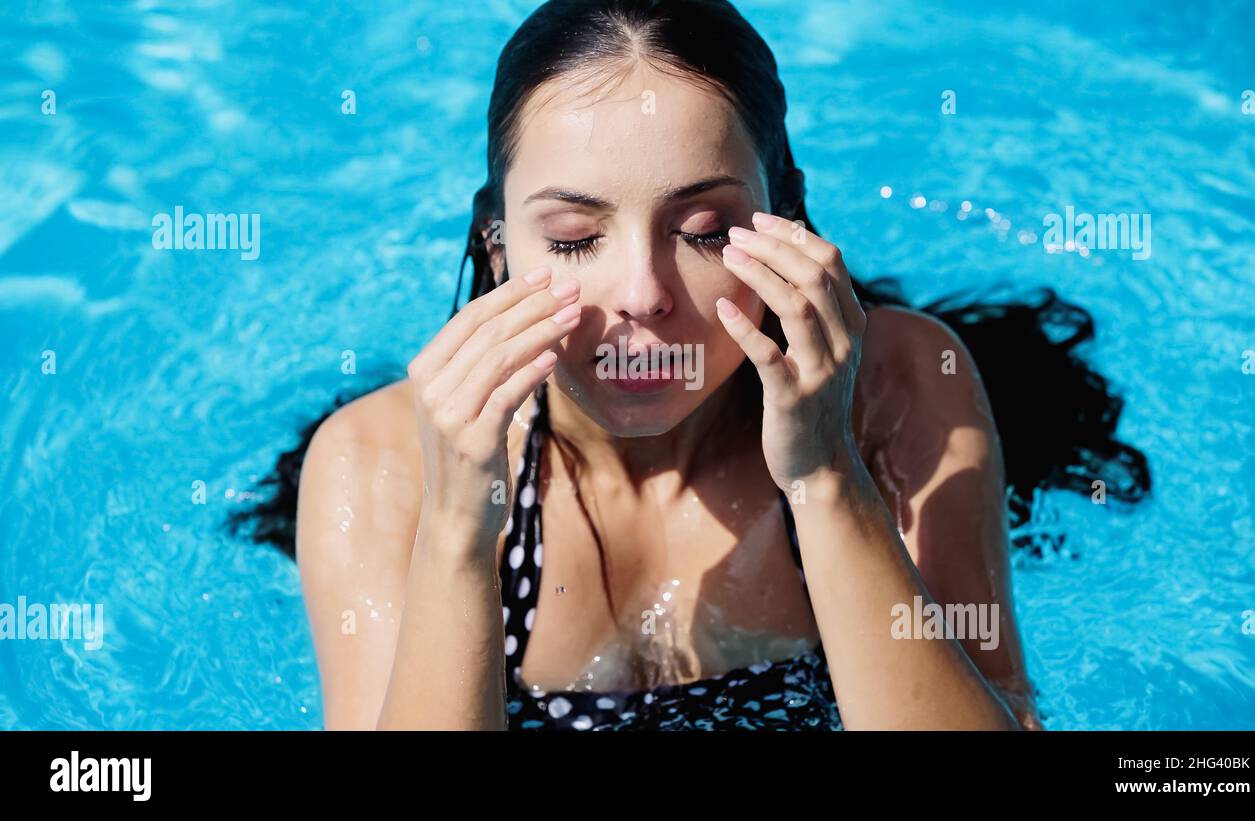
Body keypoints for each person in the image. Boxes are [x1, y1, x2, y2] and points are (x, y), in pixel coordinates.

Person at [230, 0, 1150, 730]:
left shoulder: (898, 394)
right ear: (497, 244)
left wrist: (827, 479)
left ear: (782, 221)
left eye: (704, 231)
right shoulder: (380, 467)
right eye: (577, 236)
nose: (642, 291)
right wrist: (460, 538)